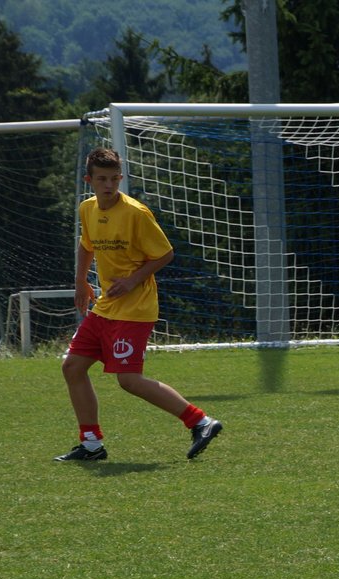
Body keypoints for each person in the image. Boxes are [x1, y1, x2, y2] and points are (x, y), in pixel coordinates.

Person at [55, 147, 222, 462]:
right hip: (106, 305)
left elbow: (165, 254)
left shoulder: (136, 213)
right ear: (89, 180)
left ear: (120, 178)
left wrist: (132, 280)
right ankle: (91, 444)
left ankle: (200, 422)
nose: (108, 185)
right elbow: (86, 244)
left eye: (114, 179)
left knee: (129, 380)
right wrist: (80, 281)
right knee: (72, 367)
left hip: (135, 309)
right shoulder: (87, 208)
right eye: (101, 179)